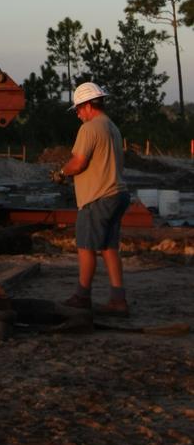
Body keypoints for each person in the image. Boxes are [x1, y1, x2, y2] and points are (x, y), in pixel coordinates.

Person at [54, 81, 130, 316]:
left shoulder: (89, 128)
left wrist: (61, 173)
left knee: (86, 248)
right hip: (118, 194)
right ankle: (118, 299)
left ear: (88, 105)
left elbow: (78, 162)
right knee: (109, 248)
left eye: (78, 108)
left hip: (97, 197)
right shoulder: (112, 127)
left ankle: (81, 297)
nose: (77, 114)